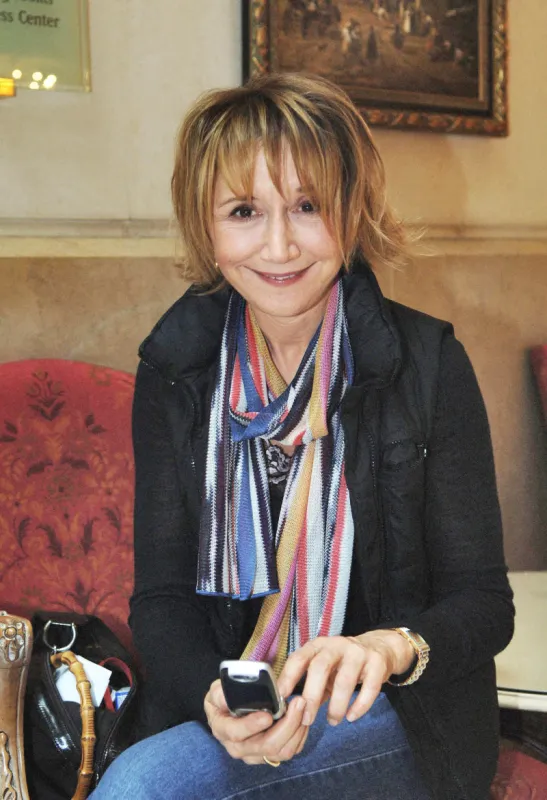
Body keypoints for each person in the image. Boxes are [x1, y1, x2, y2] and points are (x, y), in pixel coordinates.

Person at [91, 73, 514, 800]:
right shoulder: (175, 371)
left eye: (308, 206)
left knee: (143, 788)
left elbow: (481, 601)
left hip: (399, 713)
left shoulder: (427, 362)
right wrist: (215, 702)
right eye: (245, 210)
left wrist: (386, 648)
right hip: (241, 702)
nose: (279, 244)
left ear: (351, 214)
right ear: (205, 223)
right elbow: (160, 601)